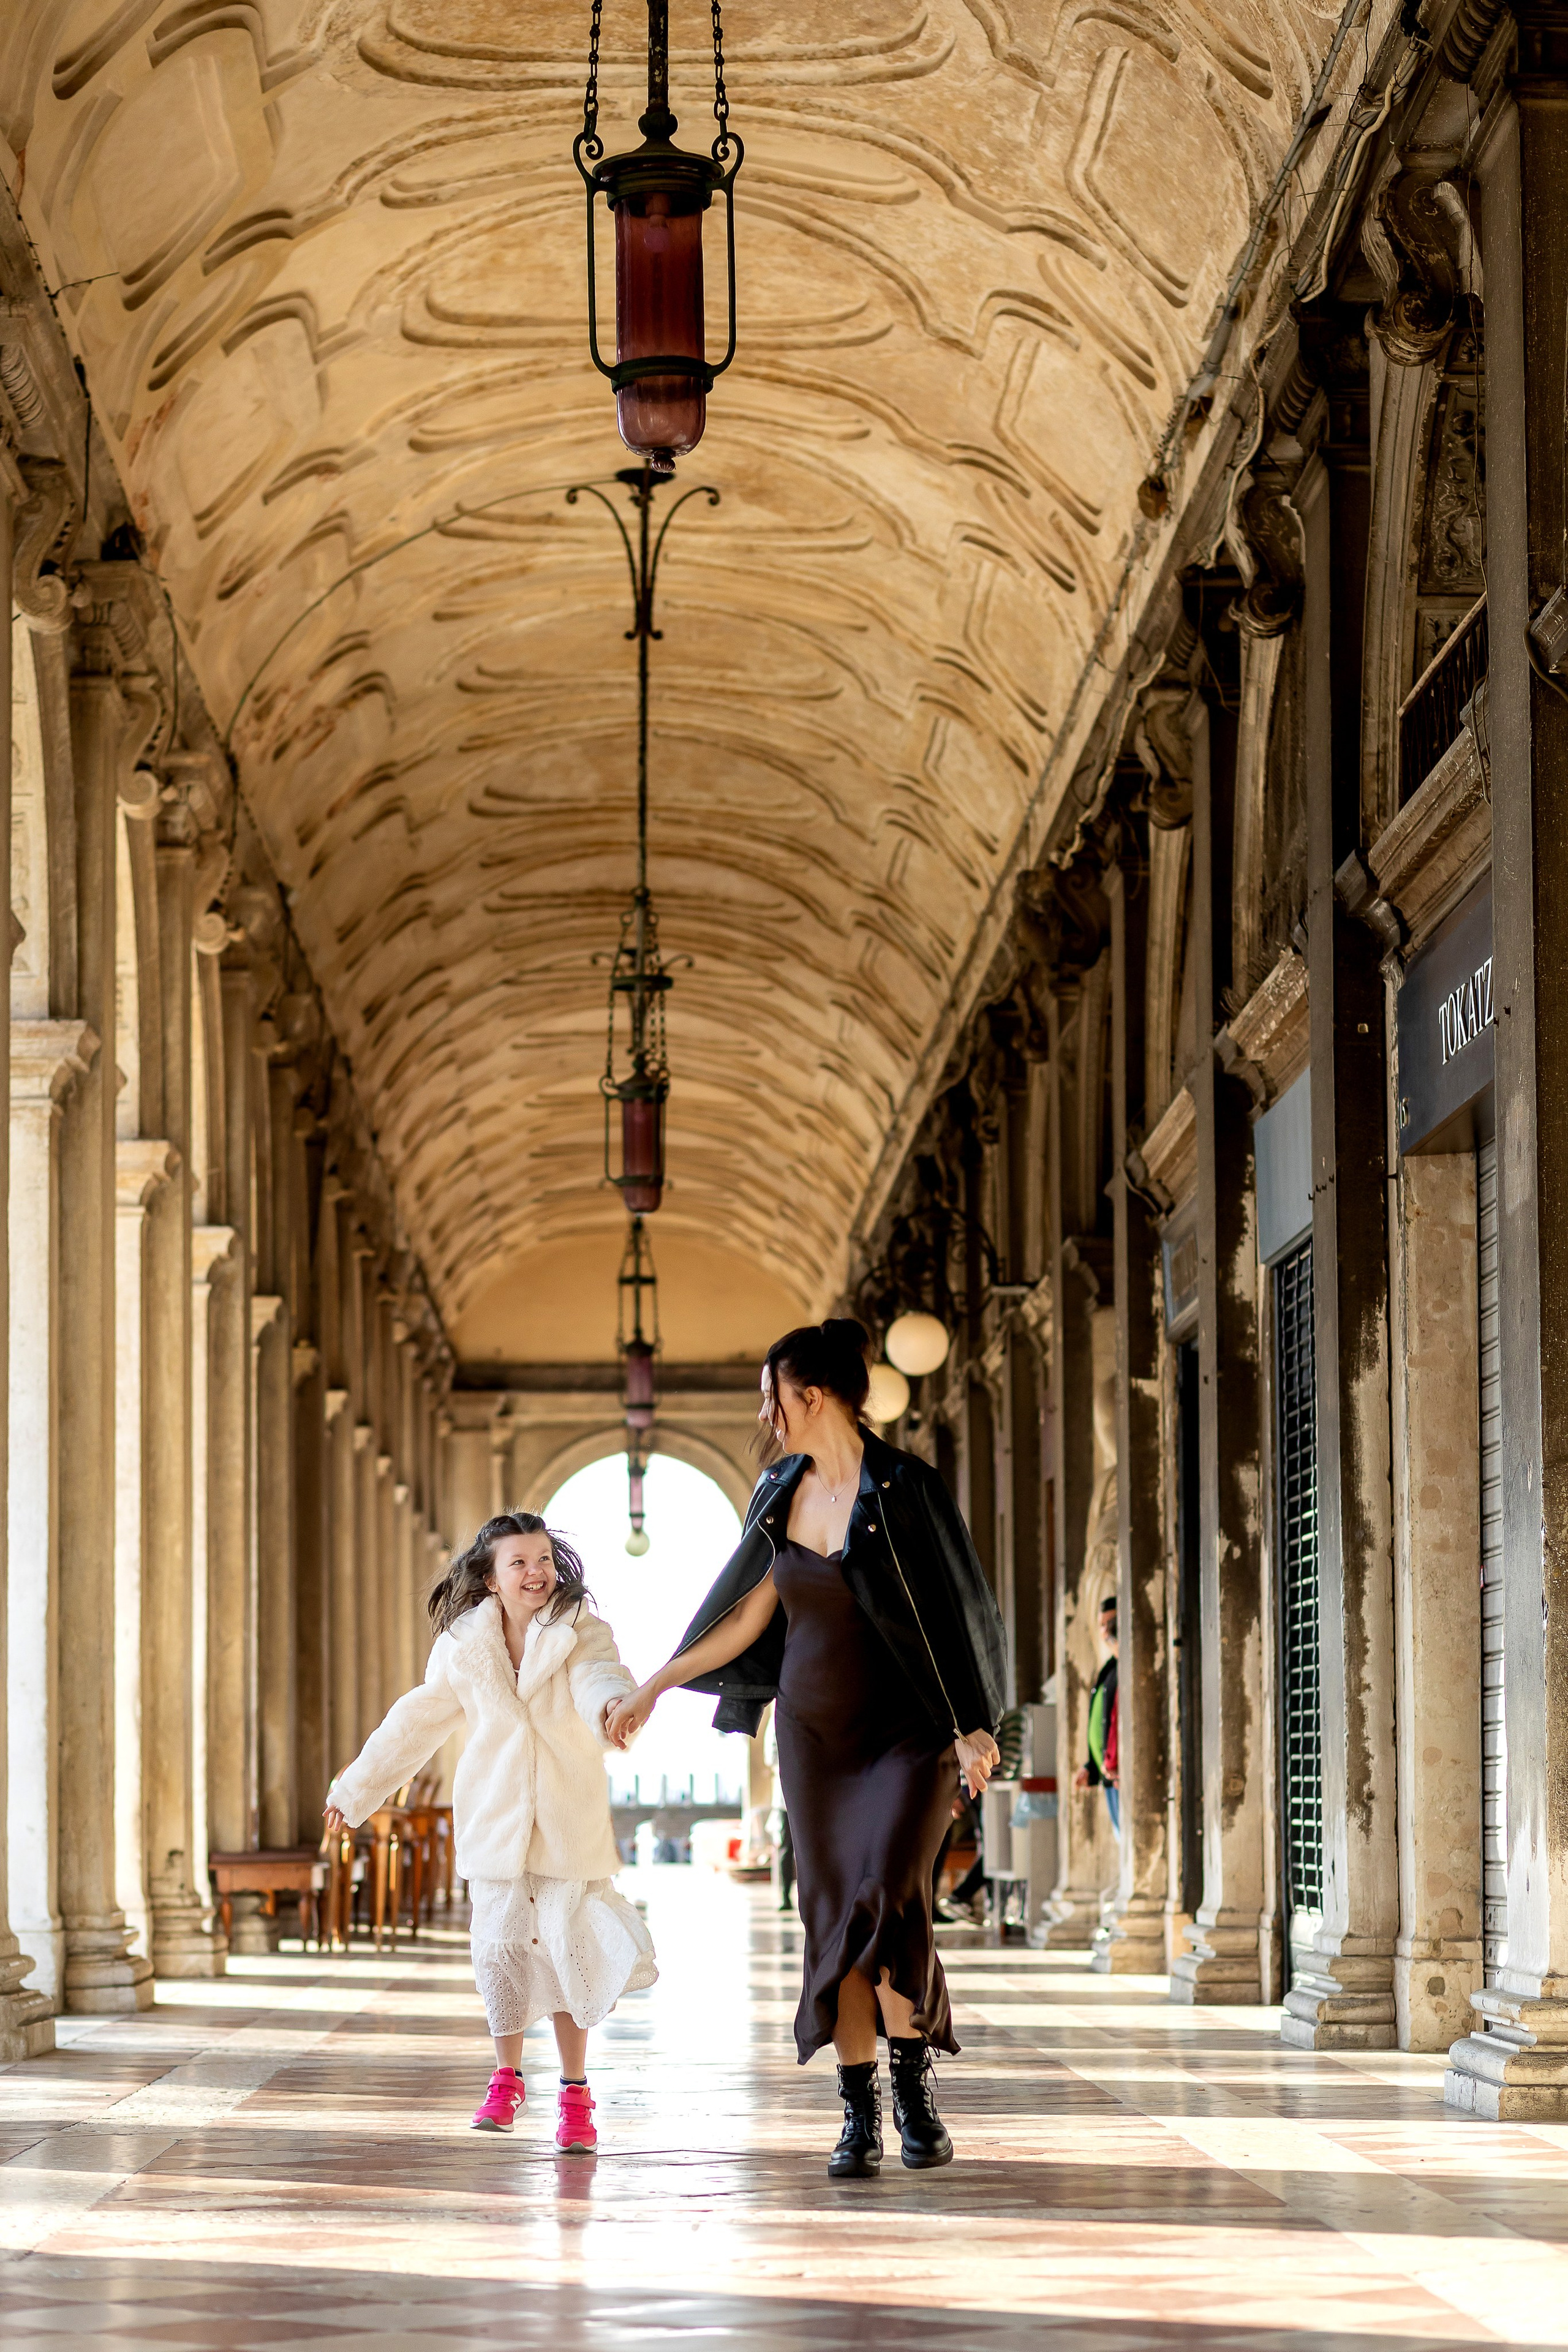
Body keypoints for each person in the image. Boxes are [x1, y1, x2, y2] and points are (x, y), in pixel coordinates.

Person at [608, 1318, 1006, 2181]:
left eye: (771, 1394)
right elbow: (745, 1615)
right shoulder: (777, 1491)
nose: (766, 1410)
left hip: (908, 1738)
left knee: (888, 1901)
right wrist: (655, 1686)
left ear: (812, 1395)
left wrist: (975, 1723)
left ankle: (913, 2092)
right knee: (834, 1920)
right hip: (816, 1741)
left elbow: (962, 1613)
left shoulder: (907, 1489)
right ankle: (860, 2114)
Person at [324, 1512, 655, 2150]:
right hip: (494, 1819)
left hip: (566, 1817)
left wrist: (614, 1710)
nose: (536, 1573)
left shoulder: (578, 1629)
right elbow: (415, 1722)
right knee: (499, 1953)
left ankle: (575, 2094)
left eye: (543, 1560)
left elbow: (599, 1679)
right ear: (491, 1578)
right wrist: (356, 1791)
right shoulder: (462, 1645)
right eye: (519, 1563)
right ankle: (505, 2078)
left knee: (564, 1951)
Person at [1072, 1593, 1120, 1831]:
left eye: (1111, 1624)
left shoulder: (1125, 1665)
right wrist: (1091, 1767)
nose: (1106, 1631)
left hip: (1119, 1776)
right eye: (1102, 1625)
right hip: (1108, 1777)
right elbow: (1102, 1723)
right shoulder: (1108, 1669)